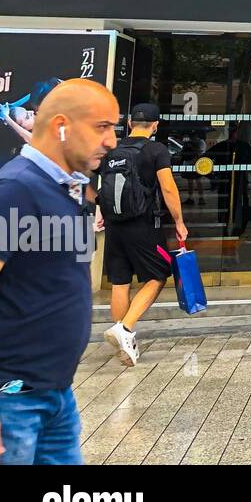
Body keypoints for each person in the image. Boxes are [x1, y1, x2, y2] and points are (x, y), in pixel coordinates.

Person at [0, 78, 119, 465]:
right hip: (10, 400)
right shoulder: (15, 190)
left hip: (56, 395)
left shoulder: (65, 190)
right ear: (61, 125)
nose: (112, 141)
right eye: (102, 127)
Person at [96, 104, 188, 367]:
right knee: (158, 274)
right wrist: (179, 220)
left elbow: (94, 182)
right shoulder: (156, 150)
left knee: (120, 281)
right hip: (144, 225)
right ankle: (124, 329)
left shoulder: (112, 149)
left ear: (129, 125)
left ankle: (122, 338)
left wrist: (99, 209)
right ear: (155, 125)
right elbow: (168, 188)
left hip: (115, 225)